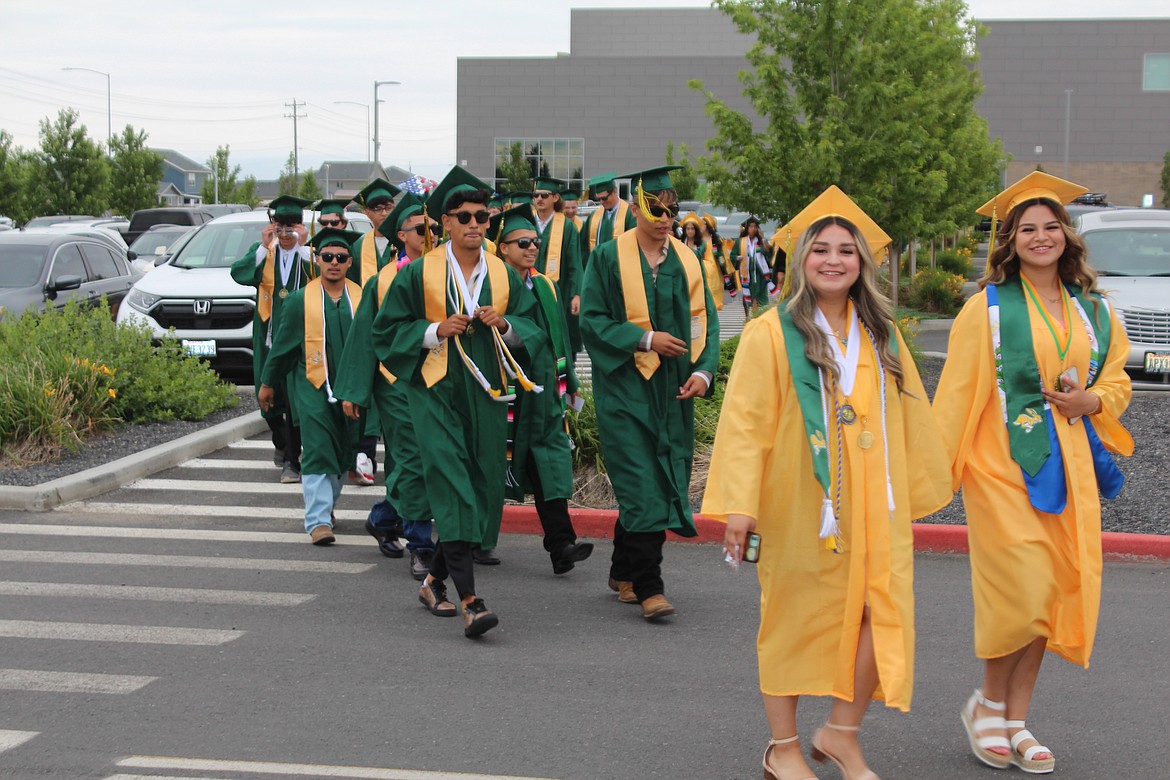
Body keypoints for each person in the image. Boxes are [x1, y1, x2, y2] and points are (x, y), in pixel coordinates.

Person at [703, 185, 952, 780]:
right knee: (790, 616)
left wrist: (916, 485)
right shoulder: (771, 333)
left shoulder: (882, 335)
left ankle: (841, 732)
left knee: (878, 614)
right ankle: (782, 746)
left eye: (846, 249)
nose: (833, 259)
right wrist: (740, 504)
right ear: (801, 260)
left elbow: (911, 412)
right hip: (797, 500)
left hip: (872, 502)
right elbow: (745, 421)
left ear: (863, 262)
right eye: (821, 250)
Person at [932, 172, 1134, 775]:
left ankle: (1014, 720)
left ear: (1067, 236)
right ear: (1010, 240)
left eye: (1051, 227)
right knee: (1019, 591)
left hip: (1069, 469)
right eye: (1027, 229)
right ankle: (986, 704)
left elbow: (1118, 379)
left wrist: (1091, 402)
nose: (1040, 237)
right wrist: (935, 473)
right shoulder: (985, 311)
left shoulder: (1093, 310)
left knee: (1049, 592)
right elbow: (958, 396)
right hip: (999, 470)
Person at [371, 166, 544, 638]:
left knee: (480, 486)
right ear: (444, 222)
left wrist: (505, 325)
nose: (474, 224)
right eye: (463, 216)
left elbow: (534, 326)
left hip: (486, 393)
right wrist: (432, 331)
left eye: (482, 217)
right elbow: (384, 331)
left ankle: (432, 583)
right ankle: (471, 600)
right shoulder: (420, 274)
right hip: (435, 391)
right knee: (452, 487)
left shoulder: (505, 276)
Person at [580, 165, 719, 621]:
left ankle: (623, 570)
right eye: (655, 209)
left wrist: (702, 372)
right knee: (641, 483)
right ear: (636, 207)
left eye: (671, 210)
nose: (664, 218)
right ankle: (649, 585)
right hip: (625, 388)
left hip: (672, 390)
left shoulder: (687, 260)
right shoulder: (607, 258)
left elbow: (704, 324)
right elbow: (593, 321)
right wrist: (645, 339)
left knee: (660, 481)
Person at [336, 193, 438, 577]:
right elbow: (364, 337)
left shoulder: (444, 273)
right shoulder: (383, 281)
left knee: (428, 458)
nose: (429, 234)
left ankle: (383, 516)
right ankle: (421, 544)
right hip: (396, 383)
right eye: (420, 229)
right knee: (413, 458)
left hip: (438, 379)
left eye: (433, 228)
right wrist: (355, 391)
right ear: (401, 235)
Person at [490, 205, 594, 574]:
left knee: (550, 464)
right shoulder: (492, 284)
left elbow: (559, 339)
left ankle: (561, 545)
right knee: (493, 466)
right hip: (506, 391)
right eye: (523, 243)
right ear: (503, 247)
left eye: (535, 242)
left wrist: (570, 385)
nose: (532, 248)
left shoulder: (546, 285)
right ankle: (472, 541)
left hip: (546, 392)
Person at [258, 228, 364, 545]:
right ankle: (317, 520)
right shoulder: (300, 300)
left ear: (349, 262)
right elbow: (282, 348)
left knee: (344, 451)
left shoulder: (361, 298)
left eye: (341, 258)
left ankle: (327, 507)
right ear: (317, 260)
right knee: (317, 448)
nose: (334, 262)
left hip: (350, 388)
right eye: (327, 257)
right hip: (312, 384)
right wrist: (267, 383)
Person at [230, 194, 313, 484]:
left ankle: (292, 461)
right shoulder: (264, 252)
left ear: (301, 228)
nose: (285, 234)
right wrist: (264, 247)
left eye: (291, 228)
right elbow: (239, 274)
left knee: (294, 401)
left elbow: (322, 277)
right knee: (267, 399)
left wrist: (305, 247)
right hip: (267, 336)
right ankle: (282, 443)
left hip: (300, 341)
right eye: (280, 227)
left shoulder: (311, 254)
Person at [349, 178, 402, 285]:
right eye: (378, 209)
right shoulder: (357, 246)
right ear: (368, 213)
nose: (384, 213)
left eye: (388, 208)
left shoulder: (404, 241)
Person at [581, 171, 636, 260]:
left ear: (615, 191)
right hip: (597, 268)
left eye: (604, 198)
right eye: (598, 199)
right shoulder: (593, 216)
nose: (601, 202)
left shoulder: (630, 214)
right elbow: (583, 247)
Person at [731, 216, 773, 314]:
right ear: (747, 228)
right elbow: (733, 256)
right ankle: (747, 317)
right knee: (748, 296)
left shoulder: (760, 242)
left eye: (755, 227)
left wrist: (763, 238)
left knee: (757, 296)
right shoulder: (741, 242)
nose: (753, 229)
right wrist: (738, 258)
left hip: (759, 274)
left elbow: (767, 253)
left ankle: (755, 317)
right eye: (750, 227)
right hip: (746, 273)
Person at [703, 212, 740, 303]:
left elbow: (724, 257)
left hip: (714, 274)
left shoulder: (716, 241)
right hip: (701, 272)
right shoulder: (696, 241)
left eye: (702, 224)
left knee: (713, 300)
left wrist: (727, 271)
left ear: (708, 227)